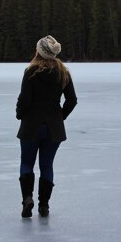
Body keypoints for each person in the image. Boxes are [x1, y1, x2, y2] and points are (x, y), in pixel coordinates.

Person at [16, 35, 77, 218]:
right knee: (47, 165)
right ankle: (44, 206)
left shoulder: (31, 72)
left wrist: (20, 114)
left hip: (31, 126)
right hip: (53, 128)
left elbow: (24, 100)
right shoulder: (63, 72)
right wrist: (59, 117)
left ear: (39, 51)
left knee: (27, 163)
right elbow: (72, 101)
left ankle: (28, 199)